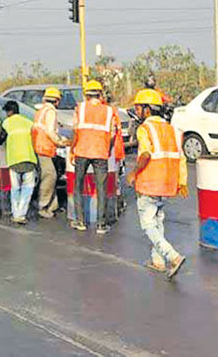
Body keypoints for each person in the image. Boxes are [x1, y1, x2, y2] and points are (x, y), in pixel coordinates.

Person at [127, 89, 188, 279]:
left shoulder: (145, 129)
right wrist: (182, 181)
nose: (136, 110)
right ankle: (158, 261)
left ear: (147, 109)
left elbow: (145, 154)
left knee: (147, 225)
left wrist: (133, 173)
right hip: (167, 183)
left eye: (138, 107)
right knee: (158, 221)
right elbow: (181, 157)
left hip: (149, 182)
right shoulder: (172, 129)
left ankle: (173, 256)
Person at [70, 80, 119, 234]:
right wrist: (107, 149)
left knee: (78, 186)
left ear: (86, 94)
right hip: (100, 153)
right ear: (100, 94)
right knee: (101, 188)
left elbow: (76, 130)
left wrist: (73, 149)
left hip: (82, 151)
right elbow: (112, 134)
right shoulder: (109, 111)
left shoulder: (80, 108)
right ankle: (101, 224)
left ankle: (80, 221)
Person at [31, 87, 70, 219]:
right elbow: (50, 132)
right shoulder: (50, 111)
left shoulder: (41, 110)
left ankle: (53, 206)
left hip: (40, 146)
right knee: (50, 176)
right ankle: (43, 206)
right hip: (44, 148)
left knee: (51, 175)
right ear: (57, 101)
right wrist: (60, 141)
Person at [0, 101, 38, 224]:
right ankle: (22, 214)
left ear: (10, 112)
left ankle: (16, 214)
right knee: (28, 188)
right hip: (30, 159)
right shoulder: (29, 123)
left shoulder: (7, 123)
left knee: (15, 188)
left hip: (14, 160)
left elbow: (0, 139)